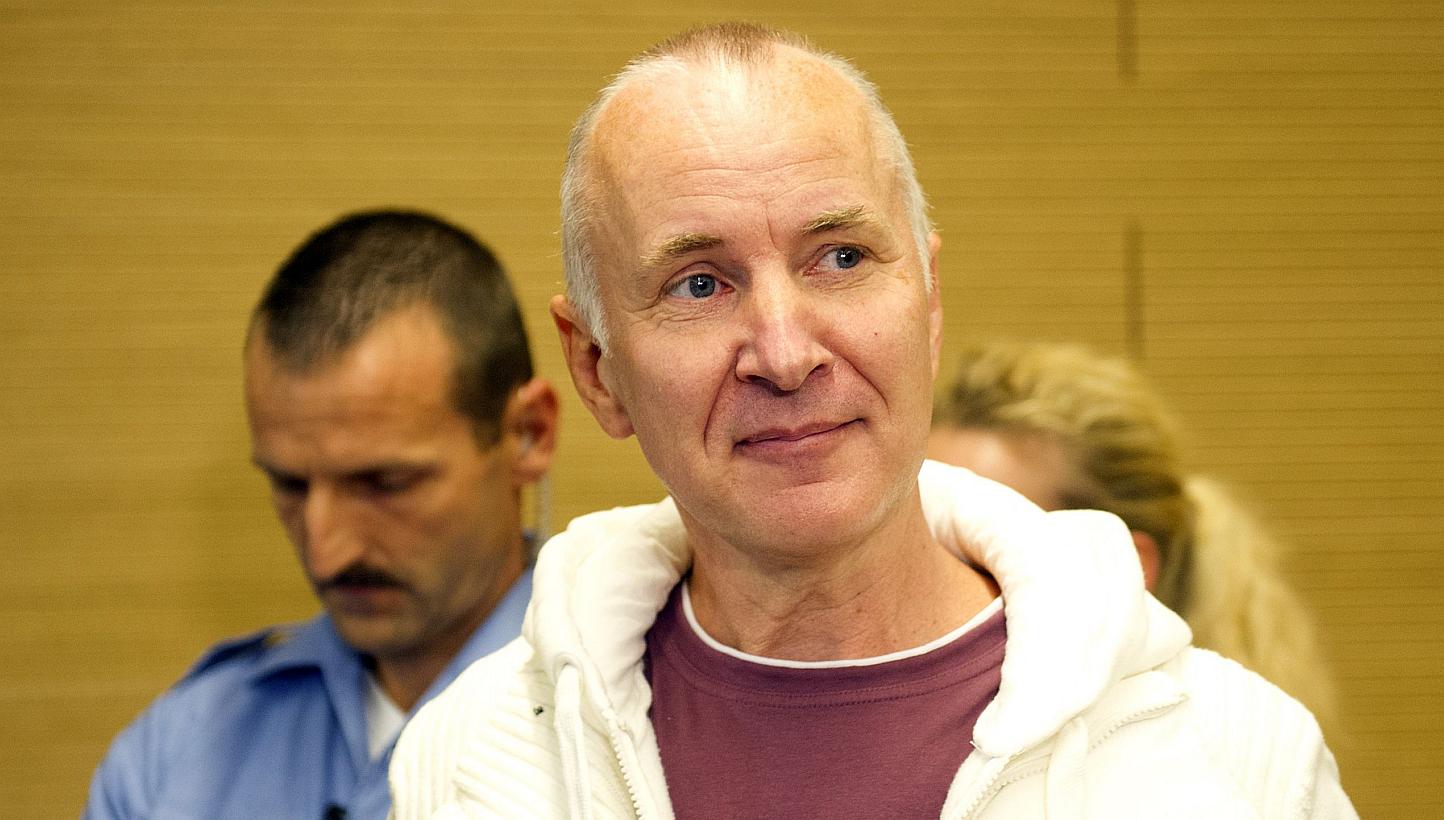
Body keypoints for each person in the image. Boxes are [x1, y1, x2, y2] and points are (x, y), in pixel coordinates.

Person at [390, 23, 1354, 818]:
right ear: (596, 369)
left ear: (928, 302)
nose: (784, 350)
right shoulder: (472, 764)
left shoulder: (1236, 761)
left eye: (841, 258)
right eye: (699, 282)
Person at [84, 210, 559, 820]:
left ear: (528, 434)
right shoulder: (175, 755)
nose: (325, 551)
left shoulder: (635, 727)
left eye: (384, 483)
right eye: (289, 485)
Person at [928, 339, 1338, 728]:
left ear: (1129, 566)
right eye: (926, 526)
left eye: (984, 546)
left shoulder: (1228, 760)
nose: (933, 572)